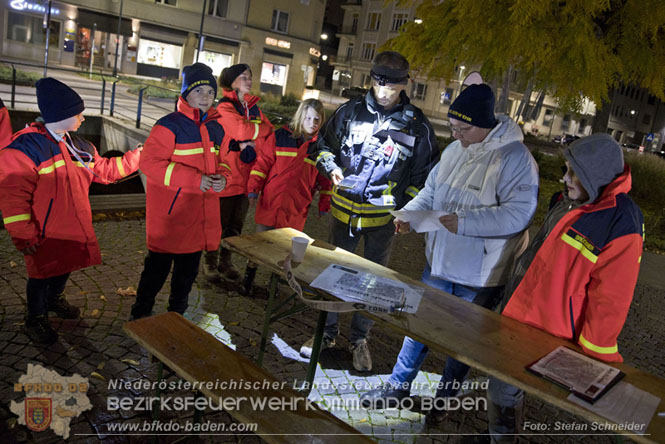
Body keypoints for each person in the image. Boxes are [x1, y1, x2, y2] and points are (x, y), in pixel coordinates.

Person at [359, 84, 539, 424]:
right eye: (453, 127)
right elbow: (431, 192)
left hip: (481, 274)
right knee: (418, 327)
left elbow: (518, 215)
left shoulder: (516, 158)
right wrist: (410, 216)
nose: (455, 134)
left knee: (463, 344)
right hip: (439, 263)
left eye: (464, 128)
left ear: (485, 124)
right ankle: (398, 386)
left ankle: (443, 401)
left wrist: (465, 222)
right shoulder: (456, 150)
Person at [484, 133, 644, 442]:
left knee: (502, 388)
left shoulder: (621, 221)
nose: (564, 178)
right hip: (520, 317)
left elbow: (611, 297)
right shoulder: (567, 200)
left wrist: (594, 357)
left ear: (594, 176)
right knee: (501, 384)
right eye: (566, 169)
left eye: (573, 172)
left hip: (548, 333)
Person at [304, 51, 438, 371]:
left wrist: (408, 213)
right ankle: (328, 333)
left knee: (372, 283)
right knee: (333, 276)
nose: (384, 91)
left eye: (391, 86)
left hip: (382, 223)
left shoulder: (418, 125)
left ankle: (359, 338)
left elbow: (425, 179)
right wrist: (332, 167)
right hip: (342, 215)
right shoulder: (349, 112)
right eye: (379, 84)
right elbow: (321, 147)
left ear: (405, 84)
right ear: (372, 80)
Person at [0, 78, 141, 344]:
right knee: (39, 275)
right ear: (60, 115)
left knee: (64, 266)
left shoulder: (79, 145)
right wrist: (23, 235)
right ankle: (35, 318)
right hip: (43, 232)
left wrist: (138, 156)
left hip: (70, 227)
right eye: (78, 113)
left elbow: (105, 171)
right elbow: (13, 199)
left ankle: (55, 300)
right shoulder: (23, 149)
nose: (83, 118)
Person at [130, 63, 228, 320]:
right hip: (170, 218)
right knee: (155, 272)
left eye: (210, 91)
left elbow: (224, 161)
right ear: (185, 95)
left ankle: (176, 316)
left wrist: (223, 179)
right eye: (199, 91)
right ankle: (140, 314)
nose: (206, 97)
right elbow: (149, 164)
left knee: (186, 276)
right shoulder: (168, 125)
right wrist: (195, 180)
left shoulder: (217, 127)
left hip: (197, 219)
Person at [242, 99, 331, 293]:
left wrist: (325, 204)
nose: (312, 123)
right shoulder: (281, 136)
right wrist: (253, 189)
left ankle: (273, 287)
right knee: (260, 243)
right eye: (308, 117)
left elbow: (325, 181)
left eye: (317, 119)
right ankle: (248, 280)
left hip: (296, 206)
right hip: (271, 201)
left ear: (322, 120)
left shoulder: (323, 147)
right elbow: (262, 164)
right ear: (300, 116)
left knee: (286, 250)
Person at [204, 63, 274, 283]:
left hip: (246, 179)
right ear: (231, 81)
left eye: (249, 76)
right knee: (218, 225)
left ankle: (226, 261)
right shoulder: (225, 107)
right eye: (243, 76)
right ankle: (210, 263)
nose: (248, 79)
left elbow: (269, 135)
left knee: (236, 226)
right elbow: (242, 130)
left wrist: (254, 137)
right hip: (226, 177)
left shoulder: (253, 108)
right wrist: (255, 133)